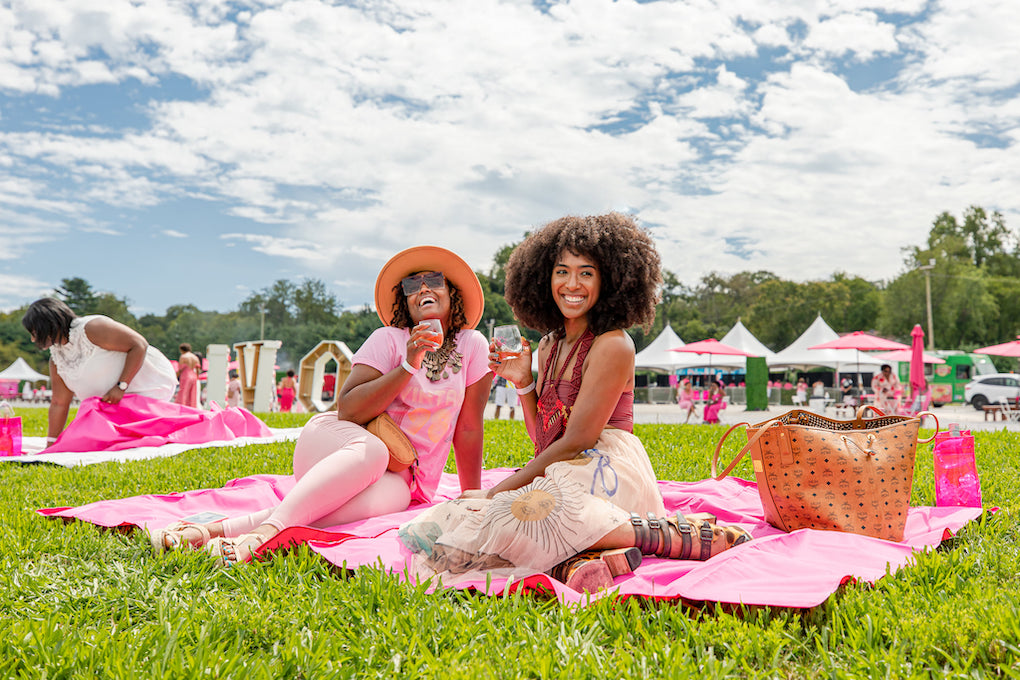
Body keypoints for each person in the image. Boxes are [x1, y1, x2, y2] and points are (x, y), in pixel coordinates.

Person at [398, 213, 750, 593]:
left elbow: (579, 439)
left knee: (506, 517)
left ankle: (661, 532)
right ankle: (583, 560)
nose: (572, 284)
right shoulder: (549, 345)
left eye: (587, 273)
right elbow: (546, 441)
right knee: (442, 531)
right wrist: (524, 383)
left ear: (610, 280)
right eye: (561, 272)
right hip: (565, 469)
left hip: (609, 469)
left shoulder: (613, 344)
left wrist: (496, 491)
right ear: (543, 278)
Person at [149, 245, 492, 564]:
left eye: (434, 280)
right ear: (404, 300)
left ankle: (215, 530)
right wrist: (409, 363)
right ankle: (263, 538)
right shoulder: (388, 339)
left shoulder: (473, 345)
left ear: (452, 293)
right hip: (338, 445)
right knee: (373, 451)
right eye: (411, 284)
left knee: (359, 507)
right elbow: (349, 409)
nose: (423, 289)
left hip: (405, 478)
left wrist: (471, 496)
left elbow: (470, 426)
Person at [21, 298, 178, 445]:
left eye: (34, 332)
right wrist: (51, 444)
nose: (33, 340)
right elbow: (59, 403)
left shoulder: (91, 328)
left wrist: (121, 385)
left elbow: (139, 344)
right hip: (114, 404)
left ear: (47, 325)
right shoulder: (56, 358)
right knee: (89, 439)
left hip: (149, 384)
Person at [175, 343, 201, 407]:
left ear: (181, 350)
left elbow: (180, 369)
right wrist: (197, 376)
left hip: (186, 375)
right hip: (193, 375)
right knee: (192, 393)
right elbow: (198, 368)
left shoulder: (183, 356)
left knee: (183, 392)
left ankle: (181, 406)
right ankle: (191, 407)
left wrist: (176, 376)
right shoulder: (195, 357)